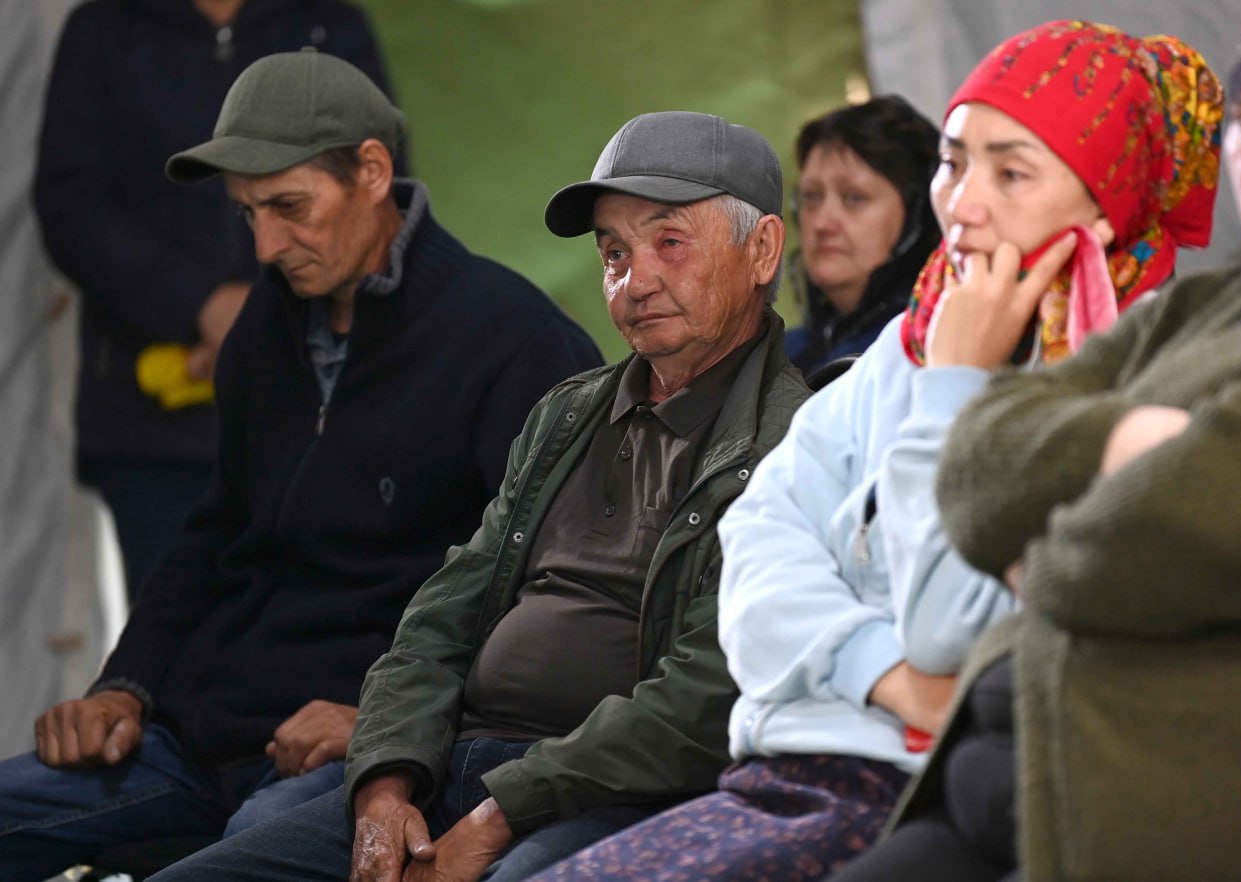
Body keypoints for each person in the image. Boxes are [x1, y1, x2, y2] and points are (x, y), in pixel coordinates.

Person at [526, 19, 1223, 882]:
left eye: (1011, 172)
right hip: (787, 767)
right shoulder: (908, 344)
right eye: (954, 162)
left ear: (1108, 195)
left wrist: (955, 392)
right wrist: (883, 672)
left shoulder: (1142, 381)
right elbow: (759, 549)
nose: (963, 204)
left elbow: (947, 629)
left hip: (922, 794)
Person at [144, 109, 809, 882]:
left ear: (760, 249)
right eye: (614, 252)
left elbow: (705, 695)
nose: (635, 280)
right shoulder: (567, 413)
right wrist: (386, 784)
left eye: (669, 242)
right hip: (451, 766)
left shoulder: (795, 442)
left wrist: (501, 813)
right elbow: (439, 619)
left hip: (615, 795)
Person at [0, 48, 602, 879]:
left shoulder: (514, 342)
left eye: (288, 207)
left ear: (372, 171)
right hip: (196, 734)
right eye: (247, 214)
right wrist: (125, 686)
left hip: (358, 756)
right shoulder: (265, 330)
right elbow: (215, 533)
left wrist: (383, 725)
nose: (265, 245)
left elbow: (557, 593)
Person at [833, 17, 1241, 882]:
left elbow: (1147, 544)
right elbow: (968, 477)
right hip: (971, 774)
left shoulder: (1149, 316)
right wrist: (1127, 442)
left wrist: (1040, 546)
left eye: (1011, 171)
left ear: (1104, 196)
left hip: (1121, 804)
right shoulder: (1203, 313)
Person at [34, 0, 400, 602]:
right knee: (173, 663)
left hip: (316, 416)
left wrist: (264, 318)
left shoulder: (328, 23)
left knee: (316, 652)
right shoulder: (105, 28)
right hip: (153, 424)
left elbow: (376, 197)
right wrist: (200, 304)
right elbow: (72, 207)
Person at [784, 96, 940, 380]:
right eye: (812, 197)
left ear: (918, 216)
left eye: (854, 198)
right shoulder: (776, 358)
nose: (821, 222)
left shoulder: (934, 350)